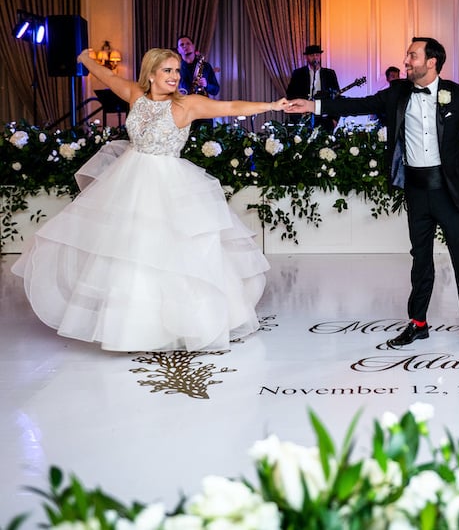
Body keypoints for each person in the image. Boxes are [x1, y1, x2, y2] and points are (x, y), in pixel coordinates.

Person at [12, 48, 288, 353]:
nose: (174, 76)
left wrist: (272, 104)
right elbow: (107, 75)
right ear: (152, 73)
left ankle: (189, 321)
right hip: (130, 180)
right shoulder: (134, 95)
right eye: (167, 70)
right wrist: (84, 59)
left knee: (177, 249)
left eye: (176, 71)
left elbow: (231, 105)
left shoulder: (187, 105)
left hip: (170, 184)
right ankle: (134, 328)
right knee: (131, 250)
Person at [287, 37, 459, 351]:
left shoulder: (456, 96)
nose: (407, 60)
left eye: (412, 55)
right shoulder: (397, 93)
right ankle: (418, 323)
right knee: (420, 261)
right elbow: (357, 106)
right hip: (416, 191)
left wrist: (458, 158)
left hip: (450, 192)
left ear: (432, 62)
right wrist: (314, 105)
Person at [285, 44, 340, 133]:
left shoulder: (329, 74)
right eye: (311, 55)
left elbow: (337, 97)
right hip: (303, 117)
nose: (315, 58)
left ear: (320, 56)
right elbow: (291, 94)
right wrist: (296, 115)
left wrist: (335, 119)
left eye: (317, 55)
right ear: (306, 57)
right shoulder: (298, 73)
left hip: (324, 117)